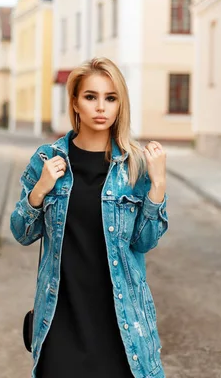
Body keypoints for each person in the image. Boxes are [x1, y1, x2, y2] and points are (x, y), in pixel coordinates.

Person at [10, 57, 169, 378]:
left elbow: (144, 242)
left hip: (120, 320)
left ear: (120, 105)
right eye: (90, 97)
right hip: (61, 317)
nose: (101, 107)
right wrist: (39, 191)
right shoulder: (47, 159)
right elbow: (22, 232)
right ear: (75, 102)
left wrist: (158, 186)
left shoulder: (134, 165)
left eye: (110, 98)